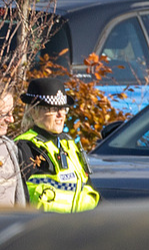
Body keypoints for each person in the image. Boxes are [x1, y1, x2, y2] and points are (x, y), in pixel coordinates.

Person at [14, 76, 98, 212]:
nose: (61, 114)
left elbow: (89, 188)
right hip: (46, 228)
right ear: (34, 111)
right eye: (53, 108)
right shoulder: (24, 147)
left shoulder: (69, 144)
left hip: (82, 225)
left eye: (63, 108)